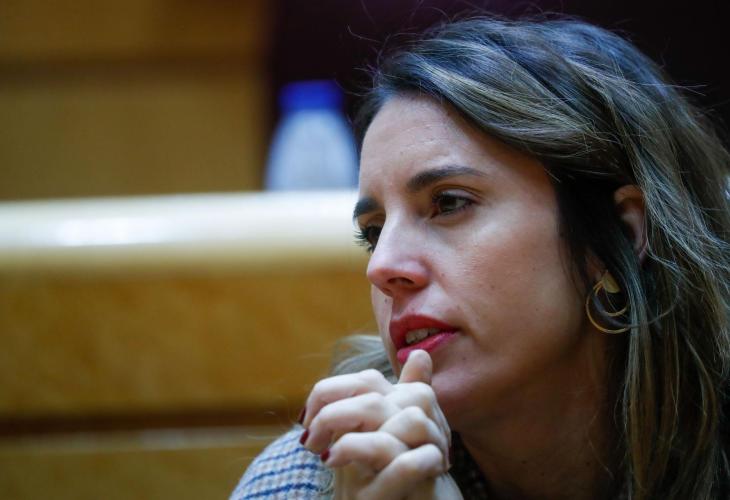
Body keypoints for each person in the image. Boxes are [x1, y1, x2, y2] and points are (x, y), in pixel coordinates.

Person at [231, 15, 730, 500]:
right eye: (374, 232)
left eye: (449, 203)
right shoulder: (313, 479)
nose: (381, 267)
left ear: (616, 235)